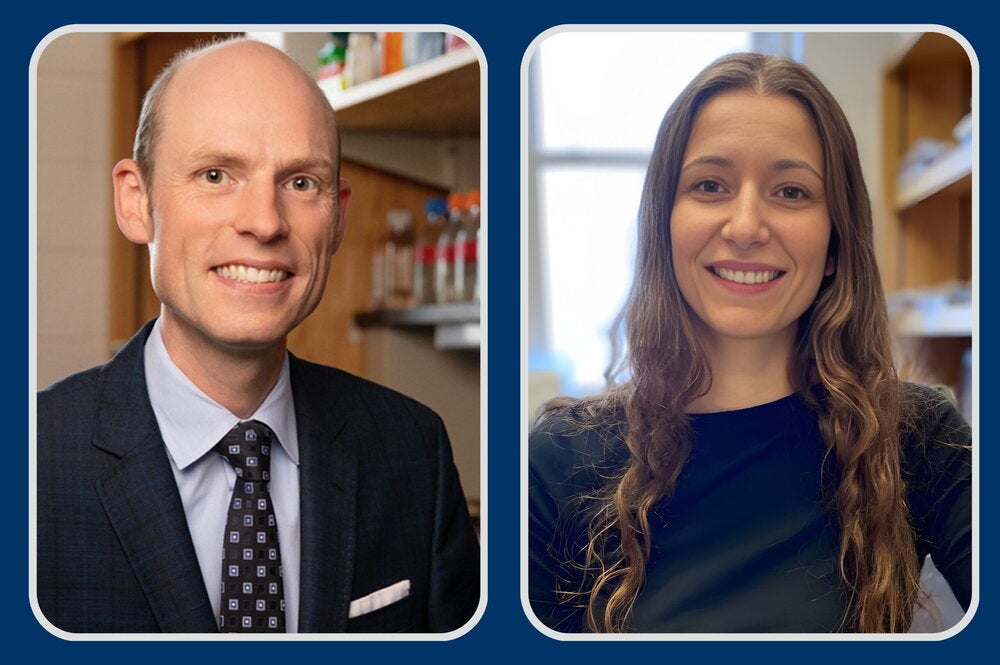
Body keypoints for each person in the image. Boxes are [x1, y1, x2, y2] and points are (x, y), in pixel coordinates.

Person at [35, 36, 480, 634]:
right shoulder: (31, 462)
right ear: (136, 202)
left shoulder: (410, 450)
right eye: (216, 174)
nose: (265, 222)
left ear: (339, 215)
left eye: (300, 183)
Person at [528, 52, 971, 633]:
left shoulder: (918, 437)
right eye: (710, 185)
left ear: (835, 240)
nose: (745, 226)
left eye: (791, 192)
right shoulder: (562, 456)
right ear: (664, 222)